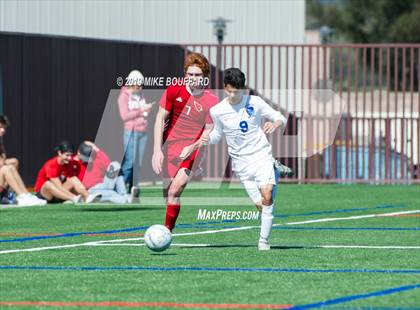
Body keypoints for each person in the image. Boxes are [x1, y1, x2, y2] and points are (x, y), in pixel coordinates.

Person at [181, 68, 287, 250]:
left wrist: (275, 123)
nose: (232, 95)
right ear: (225, 88)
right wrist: (203, 140)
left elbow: (280, 117)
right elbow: (217, 135)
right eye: (229, 91)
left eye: (236, 92)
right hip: (241, 164)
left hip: (261, 155)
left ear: (243, 89)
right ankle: (275, 172)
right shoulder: (218, 111)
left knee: (267, 195)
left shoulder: (255, 102)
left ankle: (263, 241)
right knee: (262, 206)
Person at [152, 52, 219, 231]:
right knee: (167, 195)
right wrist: (157, 150)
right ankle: (169, 223)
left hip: (194, 150)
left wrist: (193, 146)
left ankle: (166, 231)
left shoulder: (211, 100)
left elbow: (209, 129)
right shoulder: (174, 89)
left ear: (205, 78)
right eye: (189, 74)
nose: (193, 78)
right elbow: (160, 118)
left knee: (175, 191)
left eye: (197, 75)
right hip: (171, 147)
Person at [118, 70, 152, 192]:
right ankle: (120, 189)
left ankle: (133, 189)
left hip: (143, 132)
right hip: (131, 132)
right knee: (129, 163)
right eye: (138, 84)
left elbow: (142, 112)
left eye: (141, 84)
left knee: (138, 164)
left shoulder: (141, 94)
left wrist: (146, 111)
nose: (140, 86)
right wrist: (140, 110)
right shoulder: (123, 96)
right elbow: (124, 116)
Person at [34, 141, 100, 204]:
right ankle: (74, 198)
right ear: (59, 153)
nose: (70, 158)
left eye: (71, 155)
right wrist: (74, 196)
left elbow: (71, 183)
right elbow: (59, 187)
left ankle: (87, 196)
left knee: (73, 179)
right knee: (48, 184)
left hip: (58, 194)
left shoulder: (68, 164)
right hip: (44, 195)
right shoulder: (51, 165)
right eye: (67, 155)